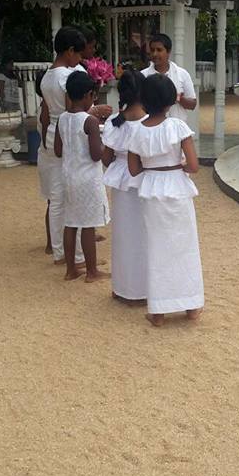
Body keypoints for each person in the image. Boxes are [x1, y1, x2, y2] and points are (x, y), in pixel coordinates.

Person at [128, 73, 204, 326]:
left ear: (144, 100)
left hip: (151, 187)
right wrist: (178, 165)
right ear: (171, 101)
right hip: (177, 186)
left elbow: (133, 169)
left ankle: (158, 312)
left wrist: (153, 166)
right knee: (184, 245)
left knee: (156, 248)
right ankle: (191, 305)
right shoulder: (178, 127)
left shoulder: (137, 131)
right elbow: (193, 166)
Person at [54, 71, 110, 283]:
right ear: (88, 95)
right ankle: (91, 271)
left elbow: (58, 150)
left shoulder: (62, 119)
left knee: (70, 223)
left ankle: (71, 270)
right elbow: (96, 154)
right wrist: (107, 146)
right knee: (88, 225)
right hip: (87, 178)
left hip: (68, 176)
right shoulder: (90, 121)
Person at [40, 27, 87, 264]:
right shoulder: (66, 77)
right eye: (78, 54)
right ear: (69, 51)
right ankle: (76, 255)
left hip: (52, 134)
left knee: (57, 197)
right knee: (71, 197)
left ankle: (59, 251)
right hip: (67, 134)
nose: (79, 59)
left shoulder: (47, 76)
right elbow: (73, 110)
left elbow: (45, 113)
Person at [102, 70, 148, 303]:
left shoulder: (114, 122)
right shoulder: (149, 123)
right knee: (144, 235)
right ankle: (143, 289)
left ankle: (122, 288)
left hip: (120, 182)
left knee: (122, 235)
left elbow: (106, 158)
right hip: (143, 179)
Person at [141, 33, 197, 122]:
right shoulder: (143, 76)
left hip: (177, 127)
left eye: (159, 50)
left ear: (168, 51)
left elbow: (193, 105)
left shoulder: (182, 74)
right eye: (152, 50)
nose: (155, 54)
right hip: (152, 127)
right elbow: (138, 105)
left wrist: (178, 98)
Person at [35, 69, 52, 254]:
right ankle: (50, 243)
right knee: (53, 202)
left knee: (52, 201)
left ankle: (52, 242)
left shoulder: (44, 106)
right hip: (48, 157)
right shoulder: (46, 109)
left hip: (45, 156)